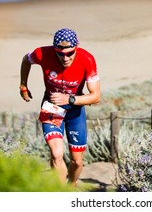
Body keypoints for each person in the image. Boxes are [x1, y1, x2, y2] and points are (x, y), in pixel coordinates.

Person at [19, 28, 100, 187]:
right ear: (53, 49)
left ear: (77, 47)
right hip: (51, 107)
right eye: (60, 53)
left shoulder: (87, 59)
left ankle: (72, 185)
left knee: (76, 161)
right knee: (56, 154)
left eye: (70, 53)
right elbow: (26, 60)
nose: (65, 58)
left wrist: (69, 99)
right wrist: (23, 85)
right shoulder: (42, 53)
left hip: (74, 110)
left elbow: (96, 96)